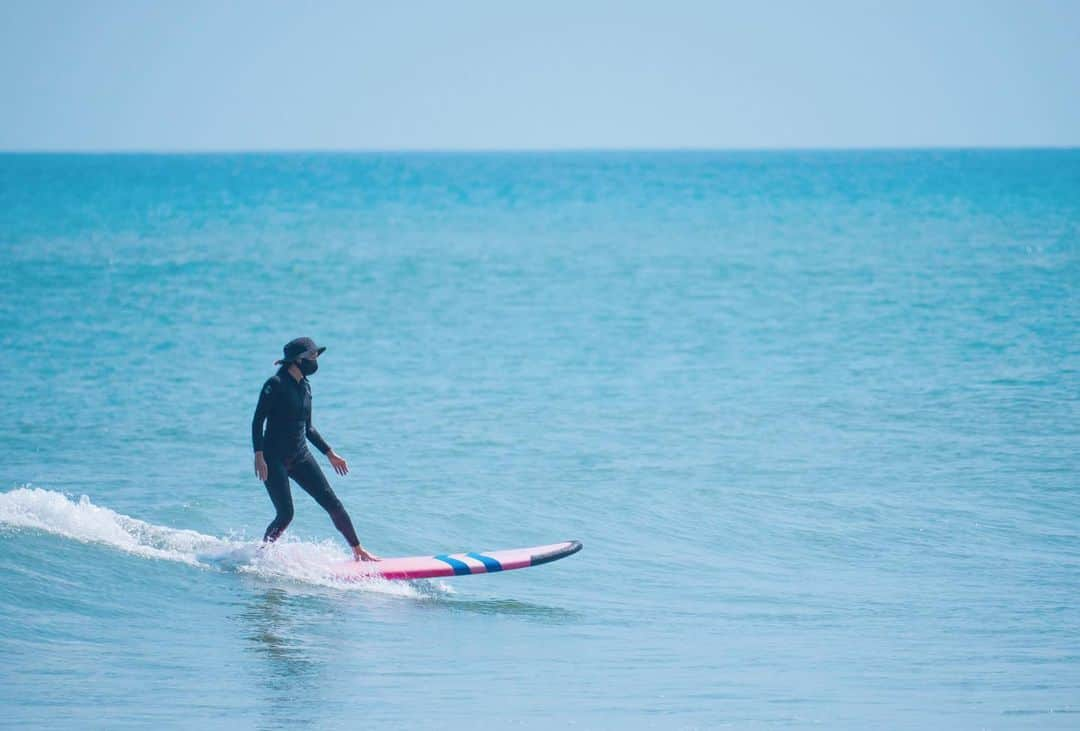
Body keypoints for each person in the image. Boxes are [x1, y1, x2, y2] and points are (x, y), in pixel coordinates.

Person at [251, 337, 378, 561]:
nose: (315, 360)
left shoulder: (305, 387)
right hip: (274, 458)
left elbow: (308, 428)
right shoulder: (275, 384)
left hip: (300, 456)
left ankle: (358, 550)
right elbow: (257, 421)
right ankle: (261, 556)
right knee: (286, 514)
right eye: (311, 356)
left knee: (332, 503)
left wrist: (330, 454)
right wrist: (259, 456)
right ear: (297, 360)